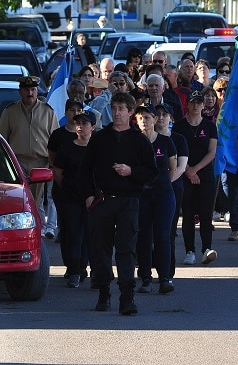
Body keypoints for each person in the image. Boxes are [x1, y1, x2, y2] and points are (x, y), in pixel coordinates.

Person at [78, 92, 159, 315]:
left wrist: (131, 171)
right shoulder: (100, 138)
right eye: (114, 108)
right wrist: (88, 195)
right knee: (101, 250)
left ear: (131, 112)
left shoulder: (139, 140)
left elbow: (152, 171)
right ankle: (104, 292)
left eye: (122, 109)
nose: (117, 113)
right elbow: (85, 169)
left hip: (128, 201)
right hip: (103, 200)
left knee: (126, 251)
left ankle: (127, 298)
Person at [0, 76, 58, 235]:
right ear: (20, 91)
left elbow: (55, 140)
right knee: (19, 200)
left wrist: (54, 163)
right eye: (26, 90)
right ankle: (22, 231)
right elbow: (2, 139)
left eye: (33, 89)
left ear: (37, 90)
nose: (30, 93)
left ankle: (36, 230)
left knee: (36, 200)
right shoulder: (10, 111)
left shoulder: (48, 112)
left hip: (40, 162)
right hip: (16, 163)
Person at [134, 103, 177, 295]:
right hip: (141, 195)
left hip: (163, 194)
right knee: (143, 236)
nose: (145, 120)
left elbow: (172, 169)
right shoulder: (133, 142)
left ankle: (164, 278)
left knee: (162, 236)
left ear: (155, 119)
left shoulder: (165, 142)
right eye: (141, 117)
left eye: (148, 117)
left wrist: (161, 183)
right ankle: (145, 277)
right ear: (136, 121)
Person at [172, 90, 218, 266]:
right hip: (184, 173)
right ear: (188, 104)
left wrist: (196, 170)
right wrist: (188, 171)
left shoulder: (209, 126)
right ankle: (189, 251)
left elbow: (212, 152)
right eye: (193, 102)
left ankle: (207, 248)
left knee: (206, 213)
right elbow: (175, 152)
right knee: (189, 213)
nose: (196, 106)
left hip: (204, 174)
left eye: (199, 103)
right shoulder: (179, 126)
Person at [52, 107, 94, 288]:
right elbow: (58, 172)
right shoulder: (67, 147)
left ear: (93, 126)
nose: (80, 126)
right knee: (74, 234)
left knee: (91, 235)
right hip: (71, 198)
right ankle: (74, 271)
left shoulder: (98, 147)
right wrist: (70, 189)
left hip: (93, 198)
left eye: (84, 123)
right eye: (78, 123)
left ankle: (85, 267)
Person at [155, 102, 188, 281]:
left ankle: (167, 272)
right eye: (157, 114)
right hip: (148, 191)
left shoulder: (178, 139)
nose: (161, 118)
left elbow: (181, 167)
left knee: (168, 233)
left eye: (164, 114)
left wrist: (162, 184)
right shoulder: (145, 138)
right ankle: (145, 270)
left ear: (171, 118)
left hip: (171, 190)